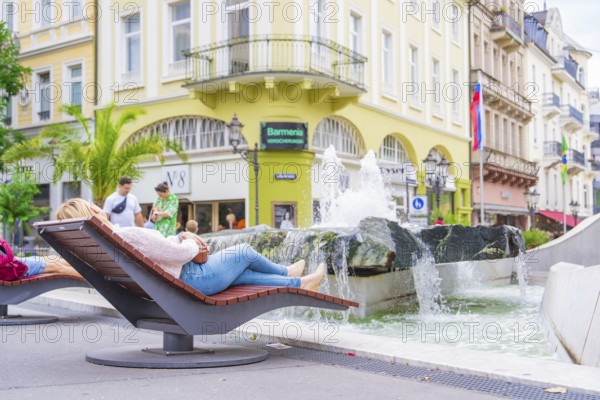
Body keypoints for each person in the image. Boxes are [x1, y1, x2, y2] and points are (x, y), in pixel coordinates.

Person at [56, 199, 326, 295]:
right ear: (92, 211)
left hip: (170, 285)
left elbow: (159, 253)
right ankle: (286, 273)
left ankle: (299, 283)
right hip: (193, 280)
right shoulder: (126, 234)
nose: (98, 206)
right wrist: (186, 238)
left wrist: (178, 240)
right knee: (243, 252)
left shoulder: (105, 243)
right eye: (93, 205)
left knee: (242, 275)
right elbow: (180, 254)